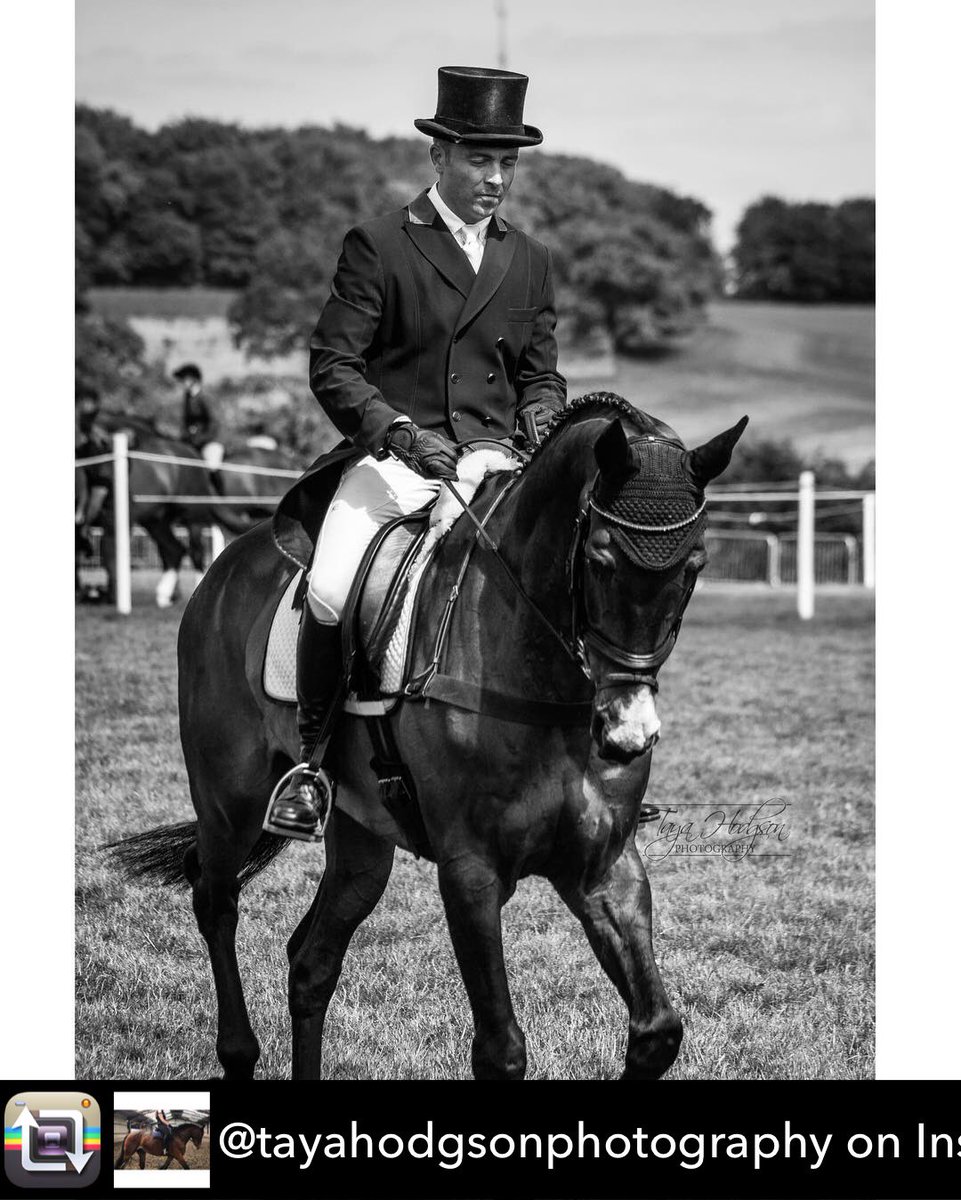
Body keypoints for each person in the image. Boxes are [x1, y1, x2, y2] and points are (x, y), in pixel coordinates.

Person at [266, 65, 567, 840]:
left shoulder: (528, 259)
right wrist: (397, 432)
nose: (494, 178)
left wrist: (540, 414)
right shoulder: (379, 244)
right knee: (332, 589)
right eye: (478, 160)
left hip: (495, 465)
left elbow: (541, 374)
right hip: (396, 462)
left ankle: (578, 756)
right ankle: (309, 763)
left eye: (506, 163)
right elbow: (334, 364)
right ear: (438, 158)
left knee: (571, 577)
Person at [173, 363, 225, 470]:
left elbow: (214, 422)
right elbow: (186, 422)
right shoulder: (187, 398)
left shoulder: (206, 396)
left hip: (211, 441)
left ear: (194, 379)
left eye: (184, 379)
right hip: (194, 442)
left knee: (211, 467)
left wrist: (200, 438)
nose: (181, 383)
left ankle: (217, 486)